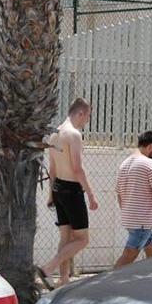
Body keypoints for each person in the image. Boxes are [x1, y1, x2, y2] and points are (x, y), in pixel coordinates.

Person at [37, 98, 98, 288]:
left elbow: (53, 168)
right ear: (80, 113)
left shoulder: (55, 134)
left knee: (66, 238)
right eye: (87, 117)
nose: (86, 121)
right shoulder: (73, 134)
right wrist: (90, 194)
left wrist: (50, 194)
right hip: (72, 190)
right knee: (82, 239)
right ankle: (48, 269)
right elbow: (77, 169)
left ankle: (63, 280)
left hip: (58, 189)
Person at [115, 131, 152, 267]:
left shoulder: (125, 163)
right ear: (151, 146)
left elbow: (119, 192)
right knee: (128, 256)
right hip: (141, 221)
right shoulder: (149, 165)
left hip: (130, 218)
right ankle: (106, 281)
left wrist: (128, 211)